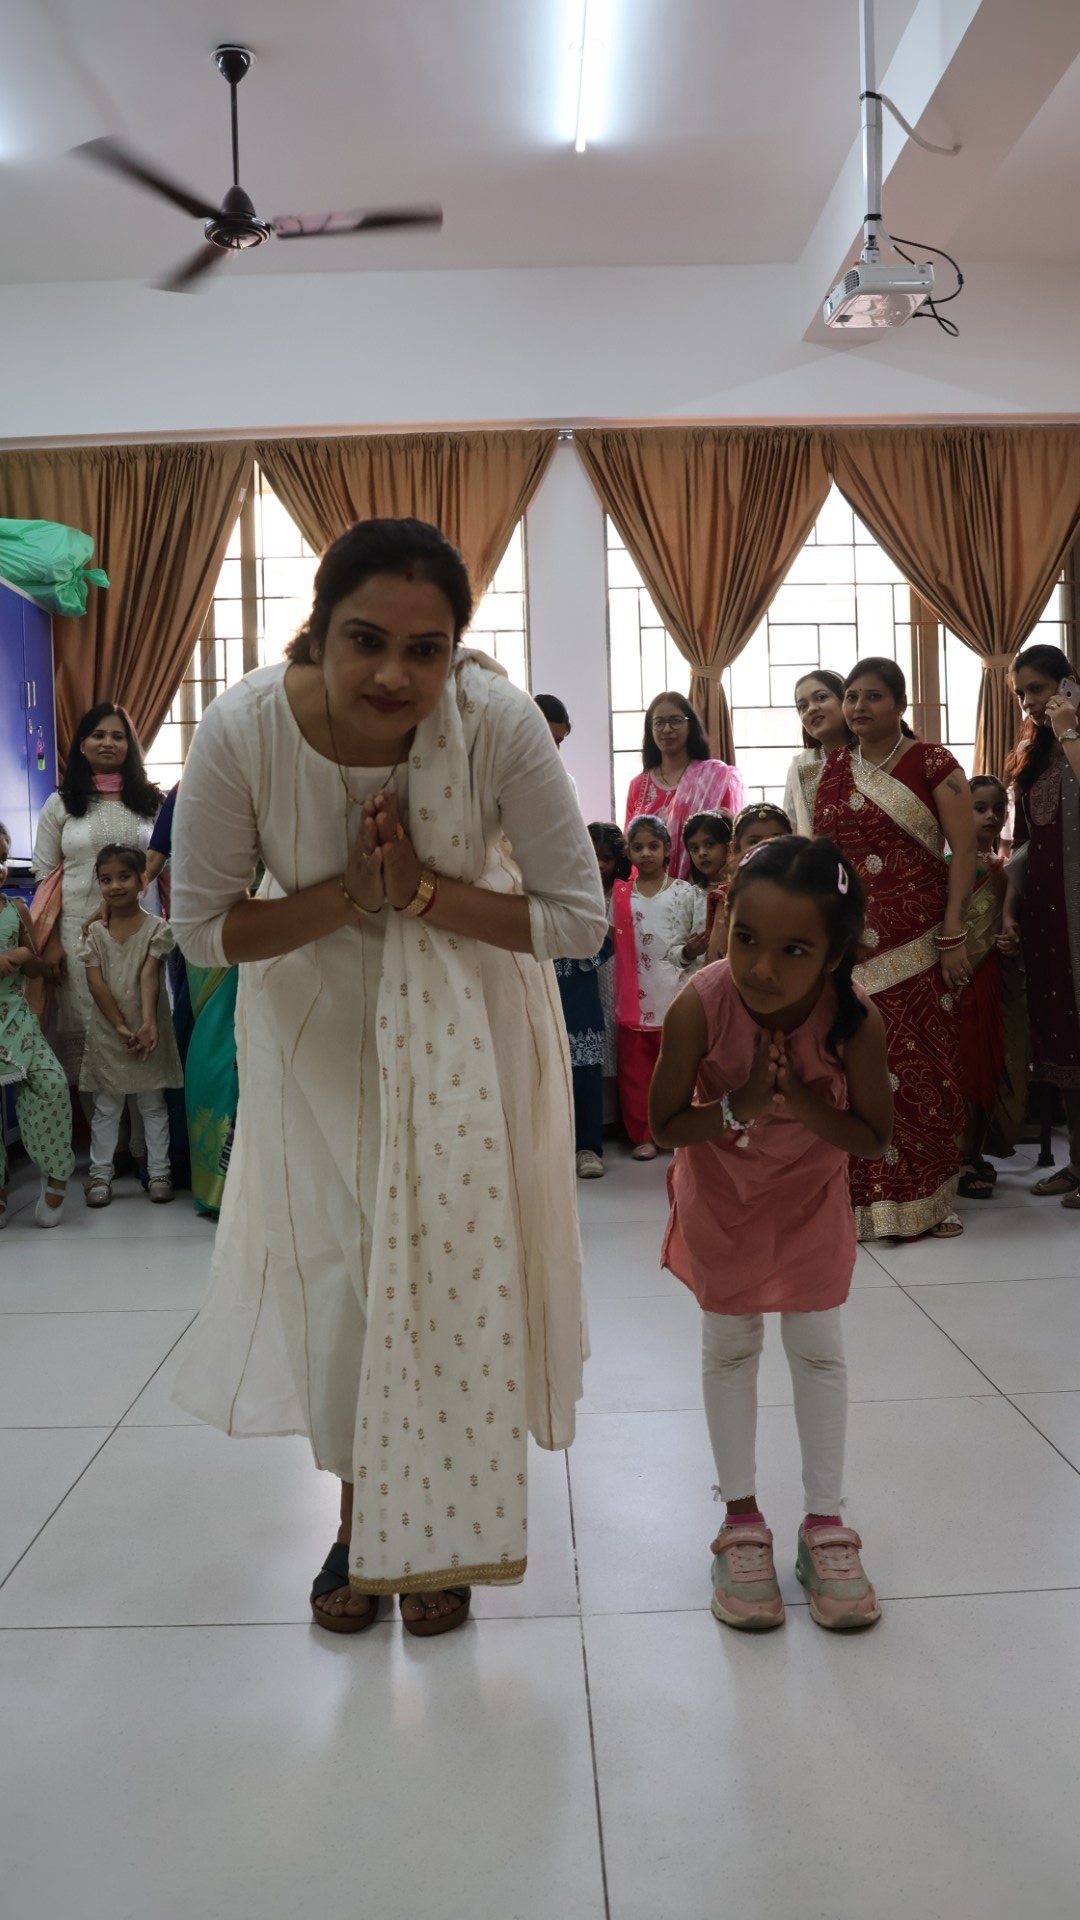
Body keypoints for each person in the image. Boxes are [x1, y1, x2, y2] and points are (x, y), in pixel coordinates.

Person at [168, 517, 606, 1639]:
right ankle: (365, 1520)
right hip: (315, 1031)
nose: (395, 676)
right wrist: (352, 899)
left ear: (459, 649)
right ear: (316, 631)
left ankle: (442, 1526)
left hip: (470, 1026)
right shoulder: (244, 729)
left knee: (453, 1270)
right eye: (366, 640)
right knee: (348, 1282)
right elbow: (204, 932)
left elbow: (577, 919)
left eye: (427, 649)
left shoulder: (495, 721)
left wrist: (416, 895)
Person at [650, 835, 893, 1632]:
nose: (760, 967)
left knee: (818, 1348)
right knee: (730, 1347)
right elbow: (664, 1124)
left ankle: (825, 1524)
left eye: (793, 950)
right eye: (746, 938)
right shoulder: (701, 1003)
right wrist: (742, 1103)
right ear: (724, 919)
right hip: (723, 1200)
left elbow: (873, 1137)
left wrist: (800, 1105)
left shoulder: (855, 1021)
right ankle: (741, 1522)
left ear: (834, 955)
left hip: (808, 1202)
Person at [813, 657, 976, 1241]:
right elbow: (824, 861)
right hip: (851, 947)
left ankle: (932, 1200)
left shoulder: (933, 763)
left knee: (924, 1066)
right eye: (852, 696)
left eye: (874, 696)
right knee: (854, 1066)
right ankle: (862, 1202)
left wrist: (953, 933)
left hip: (922, 942)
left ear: (900, 705)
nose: (859, 706)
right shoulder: (832, 769)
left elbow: (964, 852)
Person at [32, 703, 163, 1084]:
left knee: (142, 1019)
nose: (108, 742)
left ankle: (145, 1123)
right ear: (82, 745)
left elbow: (164, 864)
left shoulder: (151, 803)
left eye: (118, 736)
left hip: (141, 935)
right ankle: (98, 1122)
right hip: (79, 936)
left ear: (130, 746)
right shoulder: (60, 804)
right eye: (98, 735)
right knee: (86, 1026)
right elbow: (45, 875)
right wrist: (52, 943)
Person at [1004, 645, 1080, 1210]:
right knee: (1063, 1034)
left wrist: (1069, 727)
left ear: (1067, 683)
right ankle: (1078, 1162)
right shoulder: (1031, 754)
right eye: (1020, 693)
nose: (1029, 701)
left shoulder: (1070, 736)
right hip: (1047, 913)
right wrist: (1010, 907)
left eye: (1037, 688)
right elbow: (1024, 843)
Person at [78, 845, 183, 1208]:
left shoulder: (158, 928)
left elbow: (148, 975)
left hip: (149, 1031)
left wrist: (147, 1023)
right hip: (111, 1032)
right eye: (106, 879)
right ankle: (100, 1175)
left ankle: (159, 1174)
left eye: (124, 877)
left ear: (143, 880)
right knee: (107, 1107)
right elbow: (95, 983)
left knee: (152, 1104)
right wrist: (121, 1026)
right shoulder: (94, 933)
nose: (115, 886)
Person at [955, 778, 1028, 1201]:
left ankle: (975, 1149)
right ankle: (958, 1155)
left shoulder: (1007, 867)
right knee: (964, 1065)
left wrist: (1013, 939)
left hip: (995, 980)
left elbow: (1011, 922)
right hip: (960, 982)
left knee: (991, 1061)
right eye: (979, 807)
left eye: (997, 808)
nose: (990, 816)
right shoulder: (949, 863)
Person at [0, 822, 73, 1227]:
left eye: (2, 860)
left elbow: (36, 966)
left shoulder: (16, 908)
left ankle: (57, 1174)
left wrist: (31, 959)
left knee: (52, 1084)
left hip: (16, 1018)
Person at [613, 814, 696, 1161]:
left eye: (653, 846)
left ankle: (678, 1130)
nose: (646, 853)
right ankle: (643, 1134)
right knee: (635, 1072)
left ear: (667, 849)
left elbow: (694, 942)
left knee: (678, 1068)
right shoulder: (620, 895)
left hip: (675, 992)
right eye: (638, 847)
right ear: (629, 852)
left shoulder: (684, 892)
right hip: (634, 998)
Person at [624, 692, 744, 880]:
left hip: (704, 887)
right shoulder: (638, 785)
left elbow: (727, 837)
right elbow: (631, 843)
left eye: (675, 721)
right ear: (650, 729)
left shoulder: (714, 778)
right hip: (651, 890)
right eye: (659, 723)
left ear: (691, 725)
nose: (667, 729)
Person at [706, 804, 794, 963]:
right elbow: (715, 959)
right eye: (754, 842)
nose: (765, 848)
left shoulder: (804, 892)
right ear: (735, 849)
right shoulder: (727, 897)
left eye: (777, 839)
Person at [588, 822, 631, 1126]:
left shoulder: (623, 892)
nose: (601, 865)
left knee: (616, 1040)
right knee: (598, 1038)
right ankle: (601, 1119)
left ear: (618, 859)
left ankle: (619, 1117)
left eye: (607, 858)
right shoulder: (579, 892)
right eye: (594, 857)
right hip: (587, 971)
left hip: (616, 971)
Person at [783, 671, 854, 834]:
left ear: (845, 700)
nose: (811, 709)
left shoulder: (871, 754)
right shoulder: (800, 766)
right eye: (803, 706)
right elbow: (791, 830)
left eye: (821, 697)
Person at [681, 811, 733, 974]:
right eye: (694, 848)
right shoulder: (691, 896)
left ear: (728, 846)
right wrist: (687, 952)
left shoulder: (742, 891)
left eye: (710, 844)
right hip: (699, 980)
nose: (702, 853)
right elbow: (673, 950)